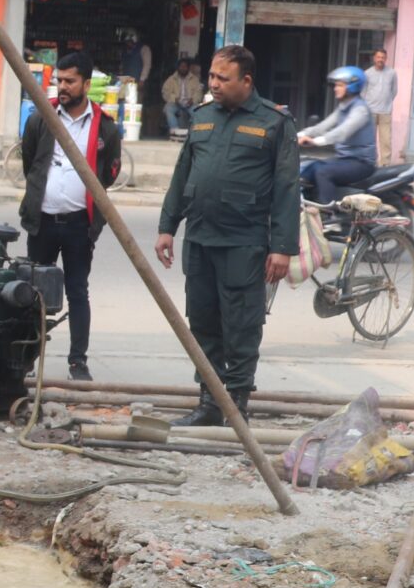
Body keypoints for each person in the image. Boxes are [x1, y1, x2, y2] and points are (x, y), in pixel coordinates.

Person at [154, 45, 300, 427]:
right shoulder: (202, 118)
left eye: (223, 78)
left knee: (241, 325)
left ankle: (236, 405)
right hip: (201, 240)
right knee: (202, 323)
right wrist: (167, 226)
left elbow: (287, 188)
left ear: (246, 81)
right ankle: (209, 402)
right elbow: (182, 176)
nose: (214, 85)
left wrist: (282, 249)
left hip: (244, 242)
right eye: (213, 78)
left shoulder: (274, 123)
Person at [19, 51, 122, 382]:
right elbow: (31, 163)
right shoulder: (41, 118)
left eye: (69, 81)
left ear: (86, 84)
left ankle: (78, 361)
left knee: (77, 291)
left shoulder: (105, 127)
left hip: (80, 225)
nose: (62, 87)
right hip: (43, 221)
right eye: (58, 80)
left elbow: (107, 176)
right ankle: (26, 357)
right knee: (33, 294)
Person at [298, 65, 378, 204]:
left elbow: (342, 132)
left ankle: (329, 215)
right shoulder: (343, 107)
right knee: (308, 167)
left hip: (361, 163)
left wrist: (315, 142)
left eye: (340, 85)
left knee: (323, 172)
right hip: (345, 159)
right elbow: (323, 126)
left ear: (352, 86)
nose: (335, 88)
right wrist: (297, 134)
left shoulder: (360, 110)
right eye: (335, 85)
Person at [362, 48, 399, 165]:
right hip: (370, 111)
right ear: (374, 58)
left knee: (386, 141)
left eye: (383, 57)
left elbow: (394, 91)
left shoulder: (392, 73)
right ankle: (370, 163)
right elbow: (363, 92)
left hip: (385, 112)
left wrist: (387, 102)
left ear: (386, 59)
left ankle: (385, 165)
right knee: (369, 140)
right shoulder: (367, 73)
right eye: (378, 57)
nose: (380, 60)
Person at [161, 57, 203, 136]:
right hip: (176, 103)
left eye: (185, 67)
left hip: (190, 104)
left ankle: (195, 134)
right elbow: (165, 92)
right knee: (168, 108)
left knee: (198, 112)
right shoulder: (171, 79)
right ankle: (175, 131)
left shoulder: (194, 79)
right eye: (181, 66)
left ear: (188, 68)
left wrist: (193, 100)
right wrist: (174, 99)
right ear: (178, 67)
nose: (183, 68)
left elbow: (199, 92)